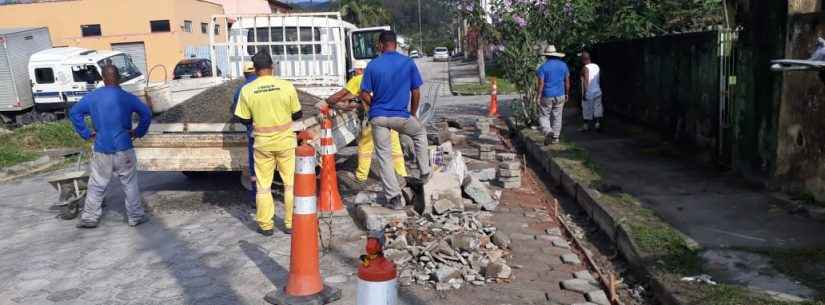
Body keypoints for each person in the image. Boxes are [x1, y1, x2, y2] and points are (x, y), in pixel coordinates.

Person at [69, 65, 152, 228]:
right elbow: (146, 113)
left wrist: (86, 133)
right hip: (124, 147)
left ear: (103, 78)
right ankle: (135, 216)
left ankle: (89, 218)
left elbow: (74, 112)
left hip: (102, 148)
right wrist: (138, 131)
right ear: (118, 78)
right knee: (129, 183)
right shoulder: (127, 97)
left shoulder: (93, 97)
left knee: (97, 183)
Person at [359, 30, 430, 210]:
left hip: (379, 117)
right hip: (401, 116)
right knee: (420, 133)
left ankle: (395, 199)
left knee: (384, 156)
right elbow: (416, 91)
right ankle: (425, 173)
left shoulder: (373, 65)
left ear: (380, 45)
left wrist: (375, 105)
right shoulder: (408, 63)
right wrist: (413, 113)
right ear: (396, 45)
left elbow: (363, 93)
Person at [234, 51, 303, 236]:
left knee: (263, 186)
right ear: (272, 67)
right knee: (290, 184)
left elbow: (242, 118)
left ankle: (265, 225)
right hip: (286, 143)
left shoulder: (247, 90)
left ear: (255, 70)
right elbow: (297, 114)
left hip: (262, 145)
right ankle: (290, 224)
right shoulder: (286, 86)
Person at [325, 60, 408, 185]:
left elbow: (342, 94)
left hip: (375, 118)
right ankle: (402, 174)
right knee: (395, 148)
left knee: (365, 147)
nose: (354, 74)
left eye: (354, 72)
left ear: (359, 70)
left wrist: (328, 101)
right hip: (392, 115)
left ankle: (361, 175)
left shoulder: (359, 79)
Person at [231, 63, 259, 202]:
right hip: (280, 134)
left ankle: (256, 198)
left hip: (255, 134)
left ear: (244, 74)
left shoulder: (241, 90)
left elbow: (237, 113)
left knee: (256, 169)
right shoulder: (276, 85)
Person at [536, 45, 570, 145]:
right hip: (561, 94)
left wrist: (538, 96)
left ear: (546, 56)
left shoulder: (543, 68)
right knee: (557, 116)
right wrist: (567, 94)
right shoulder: (564, 65)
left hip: (547, 95)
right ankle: (555, 138)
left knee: (544, 115)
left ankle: (548, 131)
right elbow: (567, 82)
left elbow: (541, 84)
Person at [580, 51, 602, 132]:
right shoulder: (596, 66)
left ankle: (586, 126)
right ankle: (597, 124)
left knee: (586, 109)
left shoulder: (585, 68)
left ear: (583, 59)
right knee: (597, 108)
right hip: (597, 90)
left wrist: (585, 93)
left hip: (589, 92)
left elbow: (586, 80)